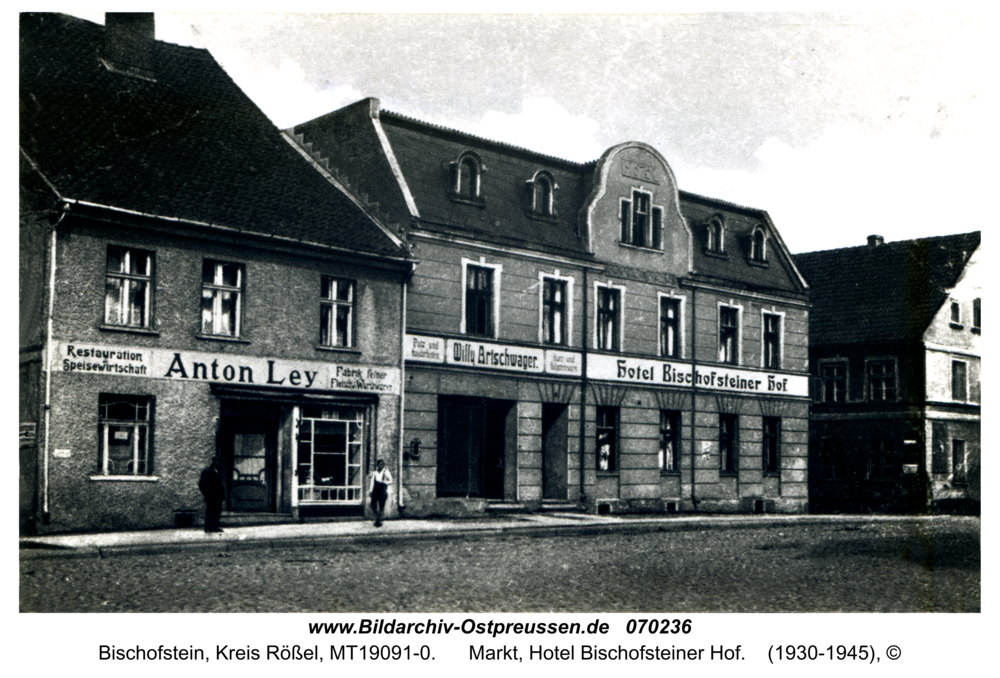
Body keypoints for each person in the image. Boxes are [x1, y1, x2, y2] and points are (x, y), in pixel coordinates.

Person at [199, 455, 226, 533]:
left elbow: (220, 485)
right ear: (215, 462)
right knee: (210, 511)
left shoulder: (219, 471)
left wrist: (222, 496)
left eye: (221, 463)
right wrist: (207, 494)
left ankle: (215, 526)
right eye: (219, 462)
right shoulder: (207, 471)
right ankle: (208, 528)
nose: (221, 464)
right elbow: (202, 485)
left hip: (218, 497)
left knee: (218, 511)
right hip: (210, 496)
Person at [369, 459, 392, 527]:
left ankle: (378, 521)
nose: (380, 465)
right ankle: (378, 517)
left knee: (381, 507)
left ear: (383, 465)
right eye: (379, 464)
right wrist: (370, 491)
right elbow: (372, 482)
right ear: (377, 465)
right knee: (372, 505)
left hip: (382, 490)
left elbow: (390, 481)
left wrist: (383, 482)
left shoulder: (386, 472)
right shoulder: (375, 473)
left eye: (382, 464)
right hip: (375, 490)